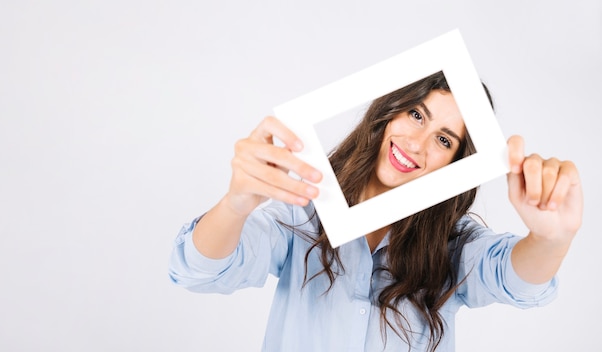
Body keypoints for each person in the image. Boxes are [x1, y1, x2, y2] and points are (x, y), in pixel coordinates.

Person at [168, 72, 583, 351]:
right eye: (416, 114)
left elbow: (514, 278)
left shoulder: (453, 246)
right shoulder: (304, 214)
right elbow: (199, 269)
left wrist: (551, 238)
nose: (417, 143)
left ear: (456, 161)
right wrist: (236, 203)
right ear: (389, 112)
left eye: (443, 139)